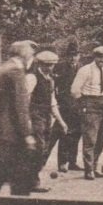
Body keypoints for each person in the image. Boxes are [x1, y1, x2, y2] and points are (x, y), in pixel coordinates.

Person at [0, 40, 38, 195]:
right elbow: (21, 106)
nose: (32, 59)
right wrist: (27, 134)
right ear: (24, 56)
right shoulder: (16, 72)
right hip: (12, 135)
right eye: (31, 55)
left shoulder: (0, 69)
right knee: (20, 179)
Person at [70, 46, 103, 180]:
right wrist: (84, 105)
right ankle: (88, 170)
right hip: (90, 104)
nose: (102, 59)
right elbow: (74, 90)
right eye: (100, 56)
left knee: (101, 138)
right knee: (90, 139)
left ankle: (94, 167)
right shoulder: (85, 70)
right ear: (95, 56)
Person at [27, 49, 66, 193]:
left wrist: (61, 121)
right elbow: (25, 99)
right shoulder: (32, 78)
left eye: (52, 65)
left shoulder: (50, 80)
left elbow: (52, 102)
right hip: (35, 117)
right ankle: (33, 182)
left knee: (44, 149)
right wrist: (26, 119)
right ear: (40, 64)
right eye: (46, 65)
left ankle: (30, 178)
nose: (50, 68)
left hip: (46, 118)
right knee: (37, 149)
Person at [52, 41, 82, 173]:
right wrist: (57, 101)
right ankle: (62, 162)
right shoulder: (60, 67)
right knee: (65, 133)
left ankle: (72, 162)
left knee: (76, 134)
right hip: (64, 105)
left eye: (75, 55)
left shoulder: (81, 68)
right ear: (67, 56)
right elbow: (54, 86)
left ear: (79, 56)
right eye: (70, 55)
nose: (73, 58)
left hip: (78, 105)